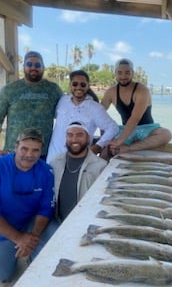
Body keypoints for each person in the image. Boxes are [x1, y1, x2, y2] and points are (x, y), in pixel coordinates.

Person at [0, 128, 57, 283]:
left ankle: (36, 258)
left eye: (35, 150)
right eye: (24, 148)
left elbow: (46, 207)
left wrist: (32, 238)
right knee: (3, 275)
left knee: (55, 235)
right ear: (16, 146)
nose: (29, 155)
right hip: (4, 227)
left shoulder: (46, 170)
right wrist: (18, 238)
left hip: (31, 223)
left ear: (41, 151)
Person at [101, 58, 172, 155]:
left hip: (147, 128)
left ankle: (129, 148)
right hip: (125, 128)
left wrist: (120, 140)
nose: (123, 76)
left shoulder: (142, 90)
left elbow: (135, 118)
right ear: (115, 73)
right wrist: (103, 133)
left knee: (166, 134)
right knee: (106, 149)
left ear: (132, 73)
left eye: (127, 73)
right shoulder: (111, 92)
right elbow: (99, 113)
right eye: (120, 73)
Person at [0, 51, 63, 159]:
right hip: (13, 151)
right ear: (24, 66)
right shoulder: (9, 90)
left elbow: (66, 115)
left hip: (44, 152)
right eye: (29, 64)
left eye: (37, 65)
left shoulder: (53, 90)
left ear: (43, 67)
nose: (33, 67)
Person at [46, 70, 119, 163]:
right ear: (70, 85)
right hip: (53, 159)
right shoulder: (62, 101)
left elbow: (113, 128)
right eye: (75, 84)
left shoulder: (95, 108)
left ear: (88, 86)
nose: (78, 87)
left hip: (79, 162)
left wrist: (97, 147)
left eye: (83, 84)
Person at [49, 122, 107, 223]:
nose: (74, 139)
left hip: (86, 223)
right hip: (57, 223)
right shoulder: (55, 162)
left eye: (79, 135)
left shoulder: (101, 166)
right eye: (70, 135)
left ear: (88, 138)